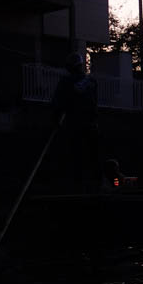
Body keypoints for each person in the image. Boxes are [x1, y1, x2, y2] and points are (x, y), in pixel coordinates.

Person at [52, 52, 100, 188]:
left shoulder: (66, 82)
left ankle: (77, 183)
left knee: (75, 155)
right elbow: (94, 103)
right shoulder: (91, 82)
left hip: (75, 124)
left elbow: (57, 103)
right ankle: (96, 183)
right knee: (93, 155)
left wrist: (55, 120)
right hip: (91, 124)